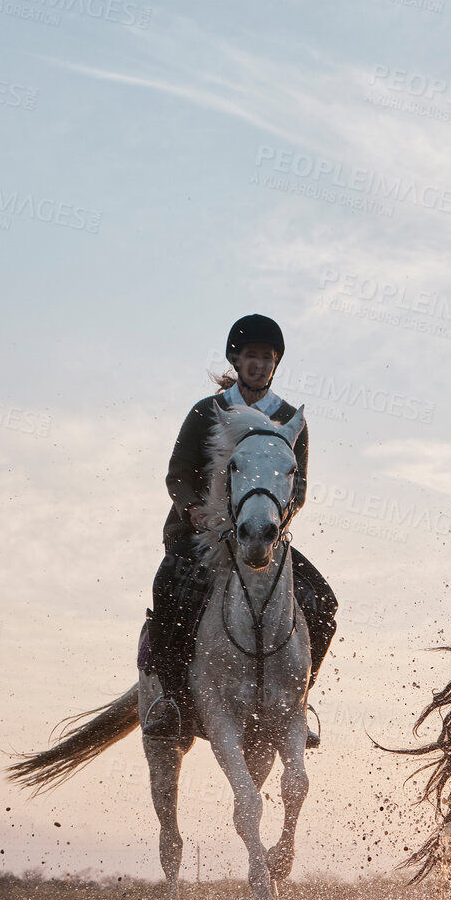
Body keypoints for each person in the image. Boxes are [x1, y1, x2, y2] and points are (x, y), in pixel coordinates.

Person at [141, 314, 338, 742]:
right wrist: (193, 508)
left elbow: (297, 488)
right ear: (236, 358)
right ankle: (172, 701)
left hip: (261, 538)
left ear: (275, 365)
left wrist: (276, 520)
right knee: (168, 588)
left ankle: (298, 698)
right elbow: (178, 473)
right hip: (201, 532)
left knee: (324, 602)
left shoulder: (289, 419)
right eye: (251, 356)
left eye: (267, 358)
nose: (259, 365)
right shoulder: (206, 411)